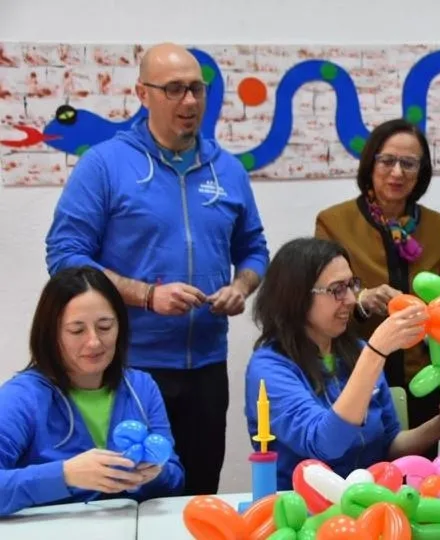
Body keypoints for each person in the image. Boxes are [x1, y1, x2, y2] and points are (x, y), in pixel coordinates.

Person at [44, 42, 269, 495]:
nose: (189, 102)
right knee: (128, 493)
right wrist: (146, 295)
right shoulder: (105, 165)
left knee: (199, 490)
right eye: (173, 90)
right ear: (142, 94)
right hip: (129, 368)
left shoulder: (227, 169)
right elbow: (64, 256)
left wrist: (241, 287)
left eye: (196, 90)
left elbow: (254, 250)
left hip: (207, 367)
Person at [244, 237, 440, 489]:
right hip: (303, 511)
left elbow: (390, 445)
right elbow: (325, 444)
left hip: (369, 502)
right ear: (296, 296)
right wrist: (376, 352)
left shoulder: (357, 351)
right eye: (337, 289)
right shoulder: (269, 368)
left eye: (351, 285)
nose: (350, 299)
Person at [0, 267, 184, 517]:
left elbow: (174, 478)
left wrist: (155, 473)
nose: (94, 342)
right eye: (77, 330)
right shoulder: (22, 398)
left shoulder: (141, 387)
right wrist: (65, 475)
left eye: (105, 327)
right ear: (51, 334)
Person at [315, 119, 440, 458]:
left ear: (422, 171)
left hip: (422, 376)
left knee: (420, 476)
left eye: (409, 163)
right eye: (387, 160)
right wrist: (361, 299)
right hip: (356, 373)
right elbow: (317, 297)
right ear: (370, 163)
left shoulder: (437, 226)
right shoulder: (334, 221)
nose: (397, 172)